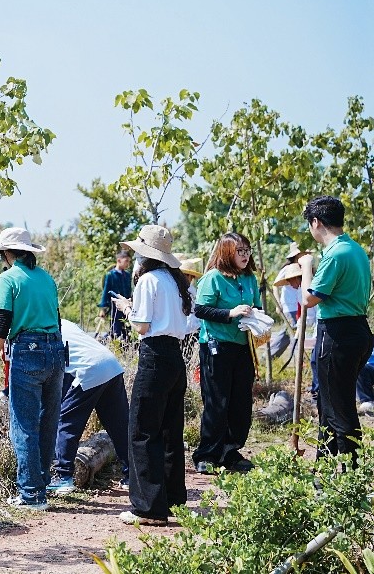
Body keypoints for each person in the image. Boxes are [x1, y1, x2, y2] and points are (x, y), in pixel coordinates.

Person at [110, 224, 191, 526]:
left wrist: (127, 309)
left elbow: (142, 326)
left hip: (154, 356)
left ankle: (148, 508)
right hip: (175, 357)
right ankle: (172, 499)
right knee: (170, 431)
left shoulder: (147, 280)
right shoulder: (175, 280)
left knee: (142, 431)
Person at [0, 227, 65, 511]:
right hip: (55, 349)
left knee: (24, 424)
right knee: (48, 422)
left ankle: (31, 494)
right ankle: (41, 484)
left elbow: (2, 323)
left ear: (6, 253)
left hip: (27, 350)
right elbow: (57, 318)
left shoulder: (8, 278)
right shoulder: (46, 278)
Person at [298, 196, 374, 467]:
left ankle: (351, 474)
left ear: (316, 222)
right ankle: (325, 469)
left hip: (338, 335)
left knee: (338, 410)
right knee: (330, 404)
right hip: (358, 330)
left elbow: (309, 298)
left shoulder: (335, 254)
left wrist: (306, 267)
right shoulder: (355, 250)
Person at [191, 233, 263, 475]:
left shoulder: (249, 278)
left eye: (247, 250)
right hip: (216, 346)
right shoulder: (213, 278)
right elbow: (200, 310)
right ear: (227, 253)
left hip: (242, 346)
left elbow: (257, 306)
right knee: (217, 402)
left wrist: (257, 316)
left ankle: (230, 452)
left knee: (241, 402)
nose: (245, 255)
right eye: (239, 251)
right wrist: (231, 313)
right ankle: (207, 454)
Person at [46, 319, 130, 495]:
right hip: (110, 364)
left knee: (65, 422)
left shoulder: (37, 328)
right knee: (121, 426)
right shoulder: (62, 321)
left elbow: (60, 375)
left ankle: (63, 477)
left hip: (89, 369)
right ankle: (134, 476)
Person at [274, 262, 319, 396]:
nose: (289, 284)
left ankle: (317, 391)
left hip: (321, 324)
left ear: (296, 278)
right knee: (315, 360)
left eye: (290, 280)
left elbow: (310, 315)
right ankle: (316, 389)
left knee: (316, 360)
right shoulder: (300, 290)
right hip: (315, 325)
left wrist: (300, 325)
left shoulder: (306, 289)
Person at [98, 250, 133, 342]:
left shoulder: (127, 275)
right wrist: (103, 309)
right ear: (119, 260)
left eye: (129, 261)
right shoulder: (111, 275)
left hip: (127, 306)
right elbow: (106, 292)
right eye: (126, 261)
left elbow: (129, 291)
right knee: (115, 330)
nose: (128, 264)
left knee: (127, 330)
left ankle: (126, 346)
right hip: (115, 307)